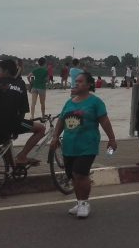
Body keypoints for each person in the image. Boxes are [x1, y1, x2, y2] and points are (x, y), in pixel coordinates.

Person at [49, 72, 117, 219]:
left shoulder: (95, 102)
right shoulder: (69, 102)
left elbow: (104, 121)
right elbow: (61, 121)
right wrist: (55, 137)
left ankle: (85, 203)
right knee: (72, 175)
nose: (76, 84)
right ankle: (79, 202)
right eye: (76, 81)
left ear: (88, 85)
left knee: (80, 173)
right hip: (69, 146)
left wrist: (112, 139)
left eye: (80, 81)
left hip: (87, 145)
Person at [0, 59, 45, 165]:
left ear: (6, 71)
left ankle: (11, 169)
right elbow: (23, 110)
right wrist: (16, 130)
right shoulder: (21, 84)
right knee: (41, 129)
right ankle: (22, 156)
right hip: (13, 123)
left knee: (9, 156)